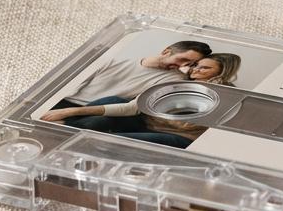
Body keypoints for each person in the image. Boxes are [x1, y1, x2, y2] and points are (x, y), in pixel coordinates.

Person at [41, 54, 242, 148]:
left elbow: (187, 123)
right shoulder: (177, 81)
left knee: (111, 141)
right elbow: (132, 107)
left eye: (204, 68)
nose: (195, 69)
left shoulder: (224, 93)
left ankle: (63, 134)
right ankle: (62, 130)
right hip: (144, 124)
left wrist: (69, 113)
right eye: (196, 65)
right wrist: (69, 111)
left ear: (221, 73)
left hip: (178, 138)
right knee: (114, 101)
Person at [47, 40, 211, 128]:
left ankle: (64, 126)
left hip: (93, 111)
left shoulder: (175, 80)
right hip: (66, 101)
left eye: (190, 64)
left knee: (107, 112)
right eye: (183, 59)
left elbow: (133, 108)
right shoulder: (115, 60)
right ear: (166, 51)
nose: (184, 66)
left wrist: (69, 112)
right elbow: (68, 86)